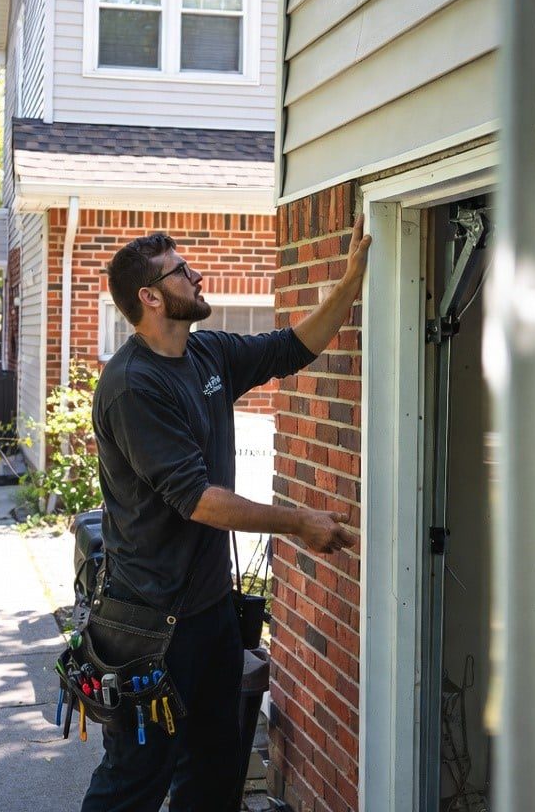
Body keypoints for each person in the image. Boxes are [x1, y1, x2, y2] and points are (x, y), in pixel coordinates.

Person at [80, 216, 372, 812]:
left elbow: (293, 347)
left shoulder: (205, 351)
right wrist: (301, 522)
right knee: (134, 784)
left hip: (209, 612)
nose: (197, 275)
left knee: (214, 771)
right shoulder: (133, 387)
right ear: (151, 296)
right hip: (149, 624)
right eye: (182, 272)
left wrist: (350, 281)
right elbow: (198, 500)